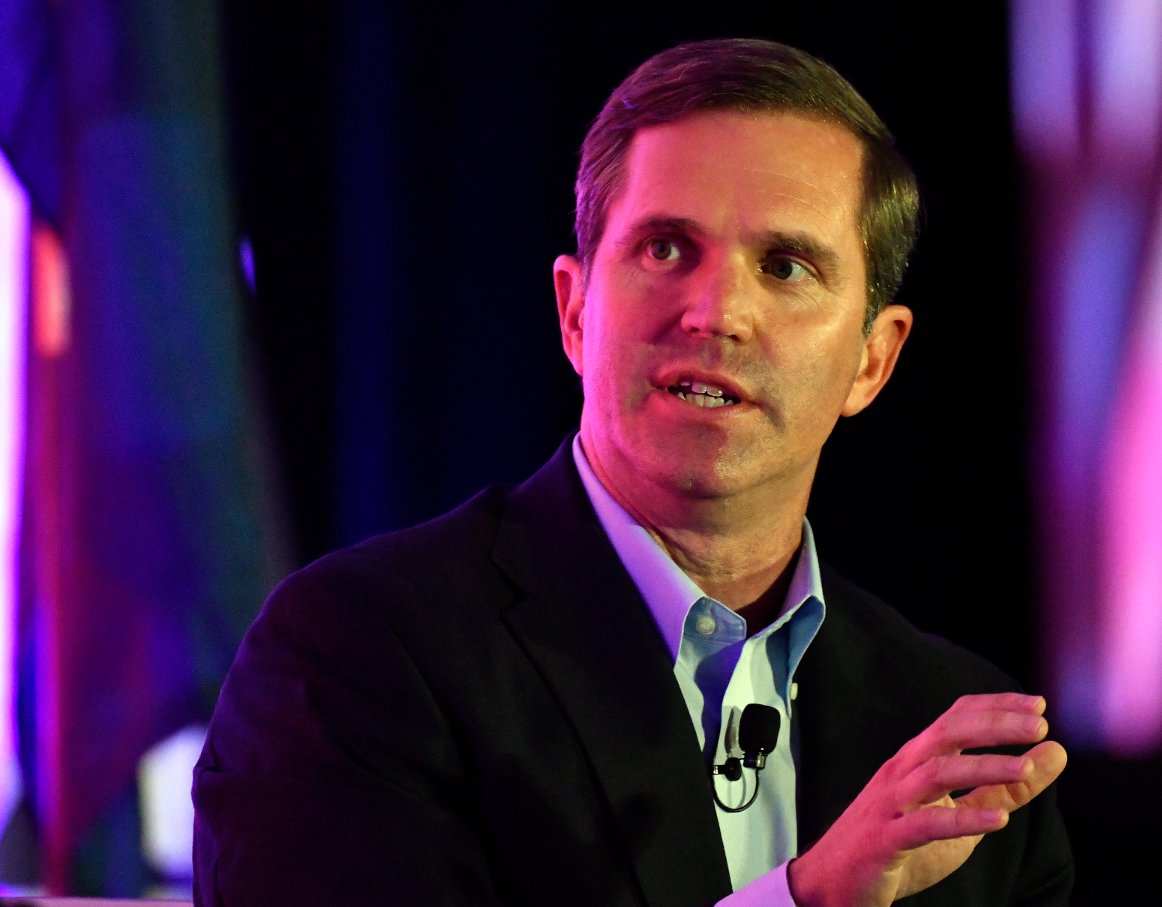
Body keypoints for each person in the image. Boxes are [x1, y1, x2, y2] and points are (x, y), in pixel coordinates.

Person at [191, 36, 1074, 906]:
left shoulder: (957, 741)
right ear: (575, 312)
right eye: (666, 250)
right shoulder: (359, 656)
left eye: (786, 265)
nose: (718, 311)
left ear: (872, 362)